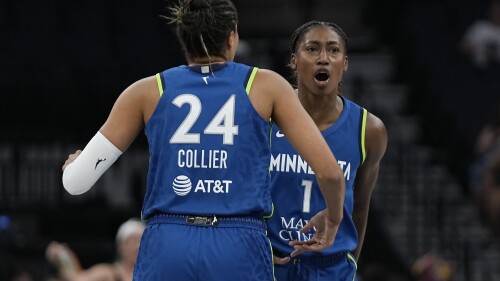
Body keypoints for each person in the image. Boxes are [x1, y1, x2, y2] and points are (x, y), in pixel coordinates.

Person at [61, 1, 346, 280]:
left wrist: (75, 164)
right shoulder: (266, 85)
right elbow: (330, 173)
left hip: (168, 243)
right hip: (238, 243)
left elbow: (76, 184)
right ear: (232, 37)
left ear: (184, 39)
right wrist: (333, 217)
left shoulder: (146, 91)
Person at [268, 21, 388, 281]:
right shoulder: (267, 116)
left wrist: (351, 262)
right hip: (272, 263)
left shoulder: (369, 129)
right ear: (294, 60)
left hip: (332, 269)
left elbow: (360, 207)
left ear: (344, 63)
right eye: (312, 49)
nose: (323, 58)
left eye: (333, 51)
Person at [45, 218, 145, 281]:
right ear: (121, 246)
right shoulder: (107, 273)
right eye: (134, 240)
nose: (138, 246)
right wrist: (62, 255)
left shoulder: (153, 273)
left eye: (142, 241)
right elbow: (77, 279)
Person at [459, 0, 500, 69]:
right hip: (477, 70)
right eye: (495, 9)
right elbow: (462, 49)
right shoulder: (479, 27)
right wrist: (474, 49)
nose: (497, 13)